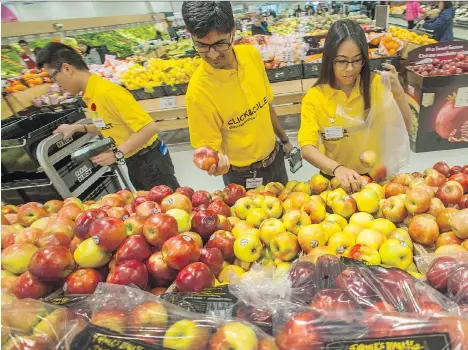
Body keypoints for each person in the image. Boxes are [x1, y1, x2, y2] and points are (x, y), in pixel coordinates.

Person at [36, 42, 180, 191]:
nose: (57, 85)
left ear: (67, 69)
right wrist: (79, 127)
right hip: (134, 160)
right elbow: (110, 125)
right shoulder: (92, 94)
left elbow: (148, 128)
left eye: (54, 78)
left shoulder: (107, 92)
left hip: (151, 162)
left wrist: (117, 153)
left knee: (171, 207)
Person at [181, 1, 293, 188]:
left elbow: (266, 105)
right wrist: (216, 165)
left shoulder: (251, 55)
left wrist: (285, 140)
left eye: (220, 44)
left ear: (232, 32)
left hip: (276, 159)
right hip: (242, 176)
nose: (213, 55)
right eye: (202, 46)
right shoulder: (198, 93)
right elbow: (208, 151)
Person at [298, 20, 412, 193]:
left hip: (376, 177)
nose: (350, 69)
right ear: (329, 60)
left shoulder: (375, 86)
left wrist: (398, 93)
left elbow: (406, 127)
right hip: (336, 179)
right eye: (342, 61)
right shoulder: (315, 97)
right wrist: (337, 169)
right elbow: (307, 148)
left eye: (357, 60)